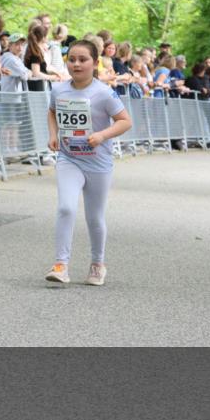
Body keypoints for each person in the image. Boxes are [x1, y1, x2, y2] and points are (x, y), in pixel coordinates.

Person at [45, 40, 132, 287]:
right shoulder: (58, 90)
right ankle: (61, 264)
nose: (76, 64)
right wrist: (53, 135)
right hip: (69, 158)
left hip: (98, 162)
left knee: (94, 217)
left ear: (95, 63)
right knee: (65, 208)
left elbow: (125, 121)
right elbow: (52, 112)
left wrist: (102, 135)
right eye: (72, 59)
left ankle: (97, 264)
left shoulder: (104, 93)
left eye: (83, 59)